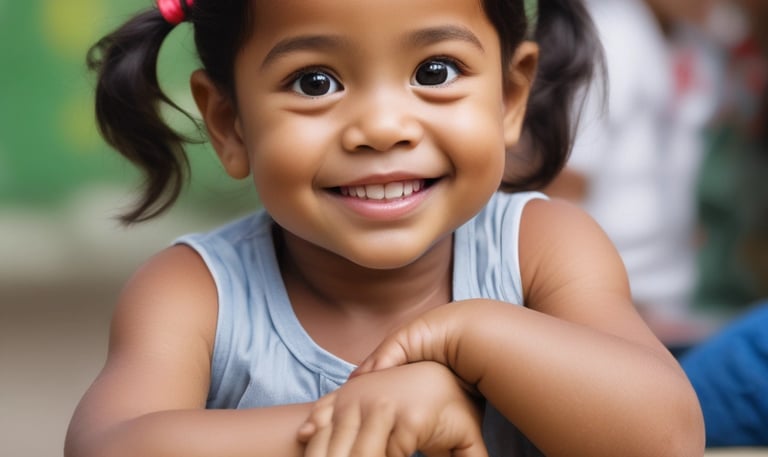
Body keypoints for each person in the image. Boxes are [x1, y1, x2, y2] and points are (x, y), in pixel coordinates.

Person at [64, 1, 704, 456]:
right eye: (315, 82)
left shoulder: (543, 248)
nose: (382, 127)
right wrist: (375, 419)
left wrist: (469, 335)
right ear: (230, 124)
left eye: (436, 72)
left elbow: (667, 437)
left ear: (510, 99)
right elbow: (109, 447)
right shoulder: (196, 291)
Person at [545, 0, 723, 353]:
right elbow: (564, 186)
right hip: (602, 297)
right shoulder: (609, 36)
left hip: (663, 297)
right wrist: (585, 297)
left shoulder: (697, 44)